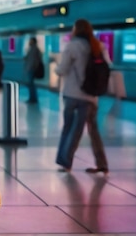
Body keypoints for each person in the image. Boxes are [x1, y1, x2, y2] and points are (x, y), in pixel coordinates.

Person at [54, 19, 108, 174]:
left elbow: (62, 69)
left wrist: (57, 69)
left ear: (76, 30)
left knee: (70, 128)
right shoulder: (98, 46)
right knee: (93, 130)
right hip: (91, 97)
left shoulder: (72, 46)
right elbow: (107, 66)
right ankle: (102, 163)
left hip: (73, 94)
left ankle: (65, 162)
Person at [24, 37, 42, 104]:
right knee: (31, 84)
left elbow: (33, 60)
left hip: (31, 69)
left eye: (30, 41)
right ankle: (33, 98)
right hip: (31, 68)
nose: (29, 42)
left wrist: (33, 67)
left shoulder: (33, 49)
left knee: (31, 84)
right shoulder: (33, 49)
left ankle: (32, 98)